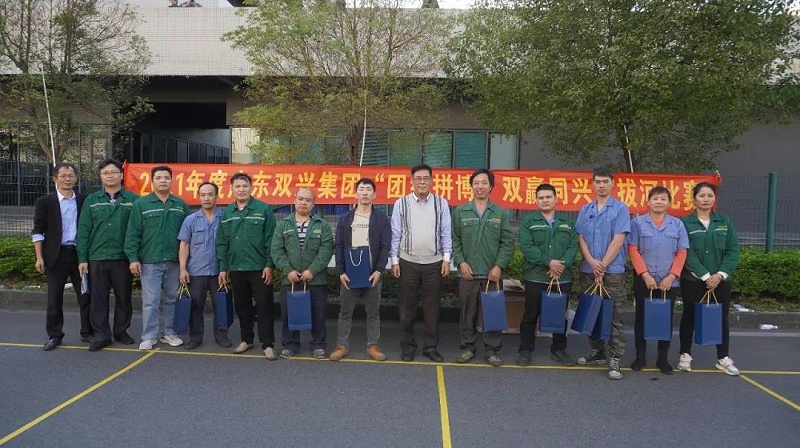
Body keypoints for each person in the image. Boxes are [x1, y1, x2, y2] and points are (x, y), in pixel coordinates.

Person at [452, 169, 514, 367]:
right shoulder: (461, 211)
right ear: (471, 186)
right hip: (468, 274)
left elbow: (507, 243)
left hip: (491, 275)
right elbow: (455, 240)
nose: (480, 186)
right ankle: (467, 348)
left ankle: (492, 350)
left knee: (493, 313)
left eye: (484, 183)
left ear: (491, 187)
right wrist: (461, 263)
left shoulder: (500, 213)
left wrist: (498, 266)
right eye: (476, 183)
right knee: (467, 314)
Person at [390, 163, 452, 362]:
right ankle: (408, 346)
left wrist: (446, 259)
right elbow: (396, 234)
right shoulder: (401, 203)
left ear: (431, 181)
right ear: (412, 181)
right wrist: (394, 261)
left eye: (426, 178)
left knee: (431, 309)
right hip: (408, 262)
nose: (422, 182)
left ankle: (430, 347)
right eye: (418, 179)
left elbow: (446, 233)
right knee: (406, 308)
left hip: (434, 264)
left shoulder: (441, 203)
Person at [678, 182, 741, 376]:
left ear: (715, 198)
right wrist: (705, 275)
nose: (706, 199)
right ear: (694, 198)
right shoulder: (685, 223)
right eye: (702, 195)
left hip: (720, 281)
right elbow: (685, 252)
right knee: (689, 316)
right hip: (693, 280)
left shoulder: (724, 222)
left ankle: (723, 357)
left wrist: (720, 275)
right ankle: (685, 355)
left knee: (721, 318)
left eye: (710, 196)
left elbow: (733, 251)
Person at [124, 165, 189, 350]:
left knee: (171, 299)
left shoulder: (180, 205)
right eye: (159, 178)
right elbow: (133, 233)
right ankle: (149, 336)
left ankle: (169, 332)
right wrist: (133, 258)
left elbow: (187, 236)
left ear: (172, 180)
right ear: (152, 181)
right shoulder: (141, 204)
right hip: (150, 261)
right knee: (151, 301)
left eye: (166, 178)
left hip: (174, 261)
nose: (163, 181)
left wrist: (185, 264)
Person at [574, 167, 630, 380]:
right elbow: (581, 238)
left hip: (612, 271)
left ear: (612, 183)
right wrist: (591, 262)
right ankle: (597, 350)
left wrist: (603, 265)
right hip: (589, 269)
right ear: (592, 184)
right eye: (597, 181)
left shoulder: (620, 209)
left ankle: (615, 357)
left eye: (605, 181)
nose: (601, 185)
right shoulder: (585, 209)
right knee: (592, 313)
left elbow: (619, 239)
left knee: (614, 316)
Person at [77, 159, 138, 351]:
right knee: (98, 299)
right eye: (105, 173)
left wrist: (134, 257)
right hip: (97, 257)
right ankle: (102, 335)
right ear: (100, 176)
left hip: (123, 258)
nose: (109, 176)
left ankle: (121, 331)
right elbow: (84, 230)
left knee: (124, 297)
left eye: (113, 172)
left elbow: (137, 230)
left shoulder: (133, 199)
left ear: (121, 175)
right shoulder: (92, 200)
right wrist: (82, 258)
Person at [627, 186, 689, 374]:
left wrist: (671, 276)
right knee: (641, 318)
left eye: (663, 199)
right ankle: (640, 356)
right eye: (655, 198)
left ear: (669, 203)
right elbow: (632, 250)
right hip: (644, 280)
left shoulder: (677, 224)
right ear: (648, 202)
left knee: (665, 319)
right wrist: (645, 275)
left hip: (668, 282)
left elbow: (682, 252)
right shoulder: (637, 223)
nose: (659, 202)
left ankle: (663, 359)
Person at [216, 173, 277, 359]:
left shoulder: (263, 209)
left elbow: (271, 240)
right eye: (237, 186)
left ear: (251, 188)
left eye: (244, 186)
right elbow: (221, 242)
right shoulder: (227, 213)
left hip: (260, 268)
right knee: (242, 307)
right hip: (236, 268)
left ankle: (267, 344)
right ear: (231, 189)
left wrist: (269, 265)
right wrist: (223, 267)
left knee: (264, 307)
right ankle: (246, 339)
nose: (241, 189)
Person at [516, 183, 578, 367]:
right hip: (536, 276)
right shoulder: (529, 222)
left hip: (562, 277)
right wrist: (549, 262)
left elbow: (572, 247)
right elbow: (527, 247)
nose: (545, 200)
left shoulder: (567, 222)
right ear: (536, 201)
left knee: (560, 314)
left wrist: (559, 266)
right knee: (530, 314)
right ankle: (526, 349)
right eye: (541, 198)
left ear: (555, 199)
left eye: (548, 197)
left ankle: (558, 349)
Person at [32, 162, 92, 351]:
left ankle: (87, 332)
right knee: (54, 298)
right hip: (56, 256)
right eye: (63, 176)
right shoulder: (45, 202)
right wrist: (39, 257)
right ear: (55, 179)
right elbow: (38, 231)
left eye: (71, 176)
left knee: (85, 295)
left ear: (76, 178)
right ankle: (55, 335)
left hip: (80, 255)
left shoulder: (84, 200)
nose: (67, 179)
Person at [330, 178, 391, 362]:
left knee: (373, 313)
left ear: (374, 194)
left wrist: (379, 270)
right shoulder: (345, 219)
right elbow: (339, 245)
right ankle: (342, 345)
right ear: (355, 193)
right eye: (361, 189)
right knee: (345, 312)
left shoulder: (381, 219)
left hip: (372, 273)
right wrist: (341, 271)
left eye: (368, 189)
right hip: (350, 274)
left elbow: (385, 246)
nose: (365, 193)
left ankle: (373, 345)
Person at [272, 188, 334, 360]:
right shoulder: (283, 225)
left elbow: (326, 251)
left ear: (313, 204)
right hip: (290, 279)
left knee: (318, 313)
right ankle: (290, 344)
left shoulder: (322, 225)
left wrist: (311, 271)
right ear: (294, 201)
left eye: (308, 200)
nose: (303, 203)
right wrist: (288, 270)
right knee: (289, 313)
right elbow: (276, 250)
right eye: (300, 199)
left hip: (316, 279)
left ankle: (318, 344)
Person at [178, 182, 231, 350]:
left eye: (210, 194)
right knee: (195, 306)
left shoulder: (225, 218)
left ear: (217, 196)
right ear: (198, 197)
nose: (206, 198)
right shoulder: (190, 220)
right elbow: (184, 245)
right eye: (203, 195)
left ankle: (221, 335)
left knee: (221, 305)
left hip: (218, 271)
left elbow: (230, 245)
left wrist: (226, 268)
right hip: (196, 270)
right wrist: (183, 269)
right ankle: (195, 337)